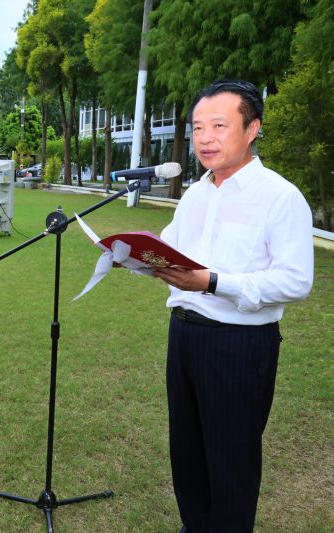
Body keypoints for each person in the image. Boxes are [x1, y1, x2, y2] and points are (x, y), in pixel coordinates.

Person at [152, 79, 314, 532]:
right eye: (198, 127)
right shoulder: (197, 192)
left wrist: (213, 282)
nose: (204, 137)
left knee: (231, 460)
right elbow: (169, 246)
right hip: (184, 334)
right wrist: (132, 253)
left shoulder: (280, 197)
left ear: (252, 128)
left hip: (239, 345)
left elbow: (296, 279)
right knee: (187, 452)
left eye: (219, 125)